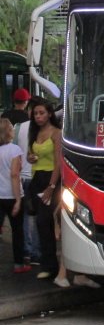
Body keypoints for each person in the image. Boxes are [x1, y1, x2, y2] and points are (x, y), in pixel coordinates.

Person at [26, 97, 62, 280]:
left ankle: (52, 265)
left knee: (44, 221)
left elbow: (58, 163)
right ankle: (48, 264)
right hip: (36, 178)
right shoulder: (34, 132)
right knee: (40, 223)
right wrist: (30, 158)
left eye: (41, 113)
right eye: (35, 114)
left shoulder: (56, 133)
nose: (38, 117)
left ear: (49, 114)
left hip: (51, 179)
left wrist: (52, 186)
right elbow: (29, 154)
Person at [0, 118, 31, 273]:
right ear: (9, 132)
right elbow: (14, 174)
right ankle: (19, 264)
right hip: (11, 196)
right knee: (17, 231)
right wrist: (18, 199)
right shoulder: (15, 150)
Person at [14, 97, 41, 265]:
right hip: (37, 176)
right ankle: (36, 253)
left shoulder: (17, 128)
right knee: (37, 218)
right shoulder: (46, 130)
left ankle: (27, 251)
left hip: (22, 177)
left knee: (25, 218)